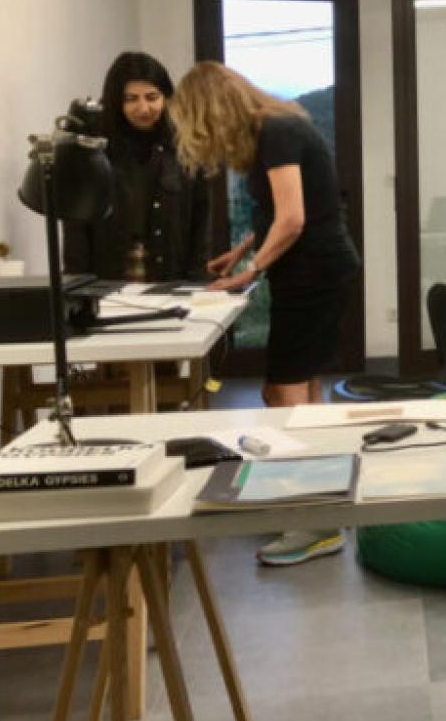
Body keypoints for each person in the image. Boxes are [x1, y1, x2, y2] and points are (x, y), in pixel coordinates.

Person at [171, 61, 361, 567]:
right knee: (303, 391)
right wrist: (241, 252)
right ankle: (323, 503)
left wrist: (248, 272)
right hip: (315, 269)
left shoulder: (278, 131)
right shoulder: (274, 129)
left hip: (315, 271)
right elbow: (279, 213)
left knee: (283, 392)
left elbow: (295, 218)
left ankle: (311, 519)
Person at [63, 52, 210, 282]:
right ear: (115, 101)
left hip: (172, 279)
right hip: (109, 280)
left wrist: (198, 281)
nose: (144, 108)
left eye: (152, 97)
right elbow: (76, 230)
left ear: (166, 97)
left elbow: (201, 224)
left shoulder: (185, 147)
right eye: (131, 99)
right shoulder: (96, 148)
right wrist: (77, 288)